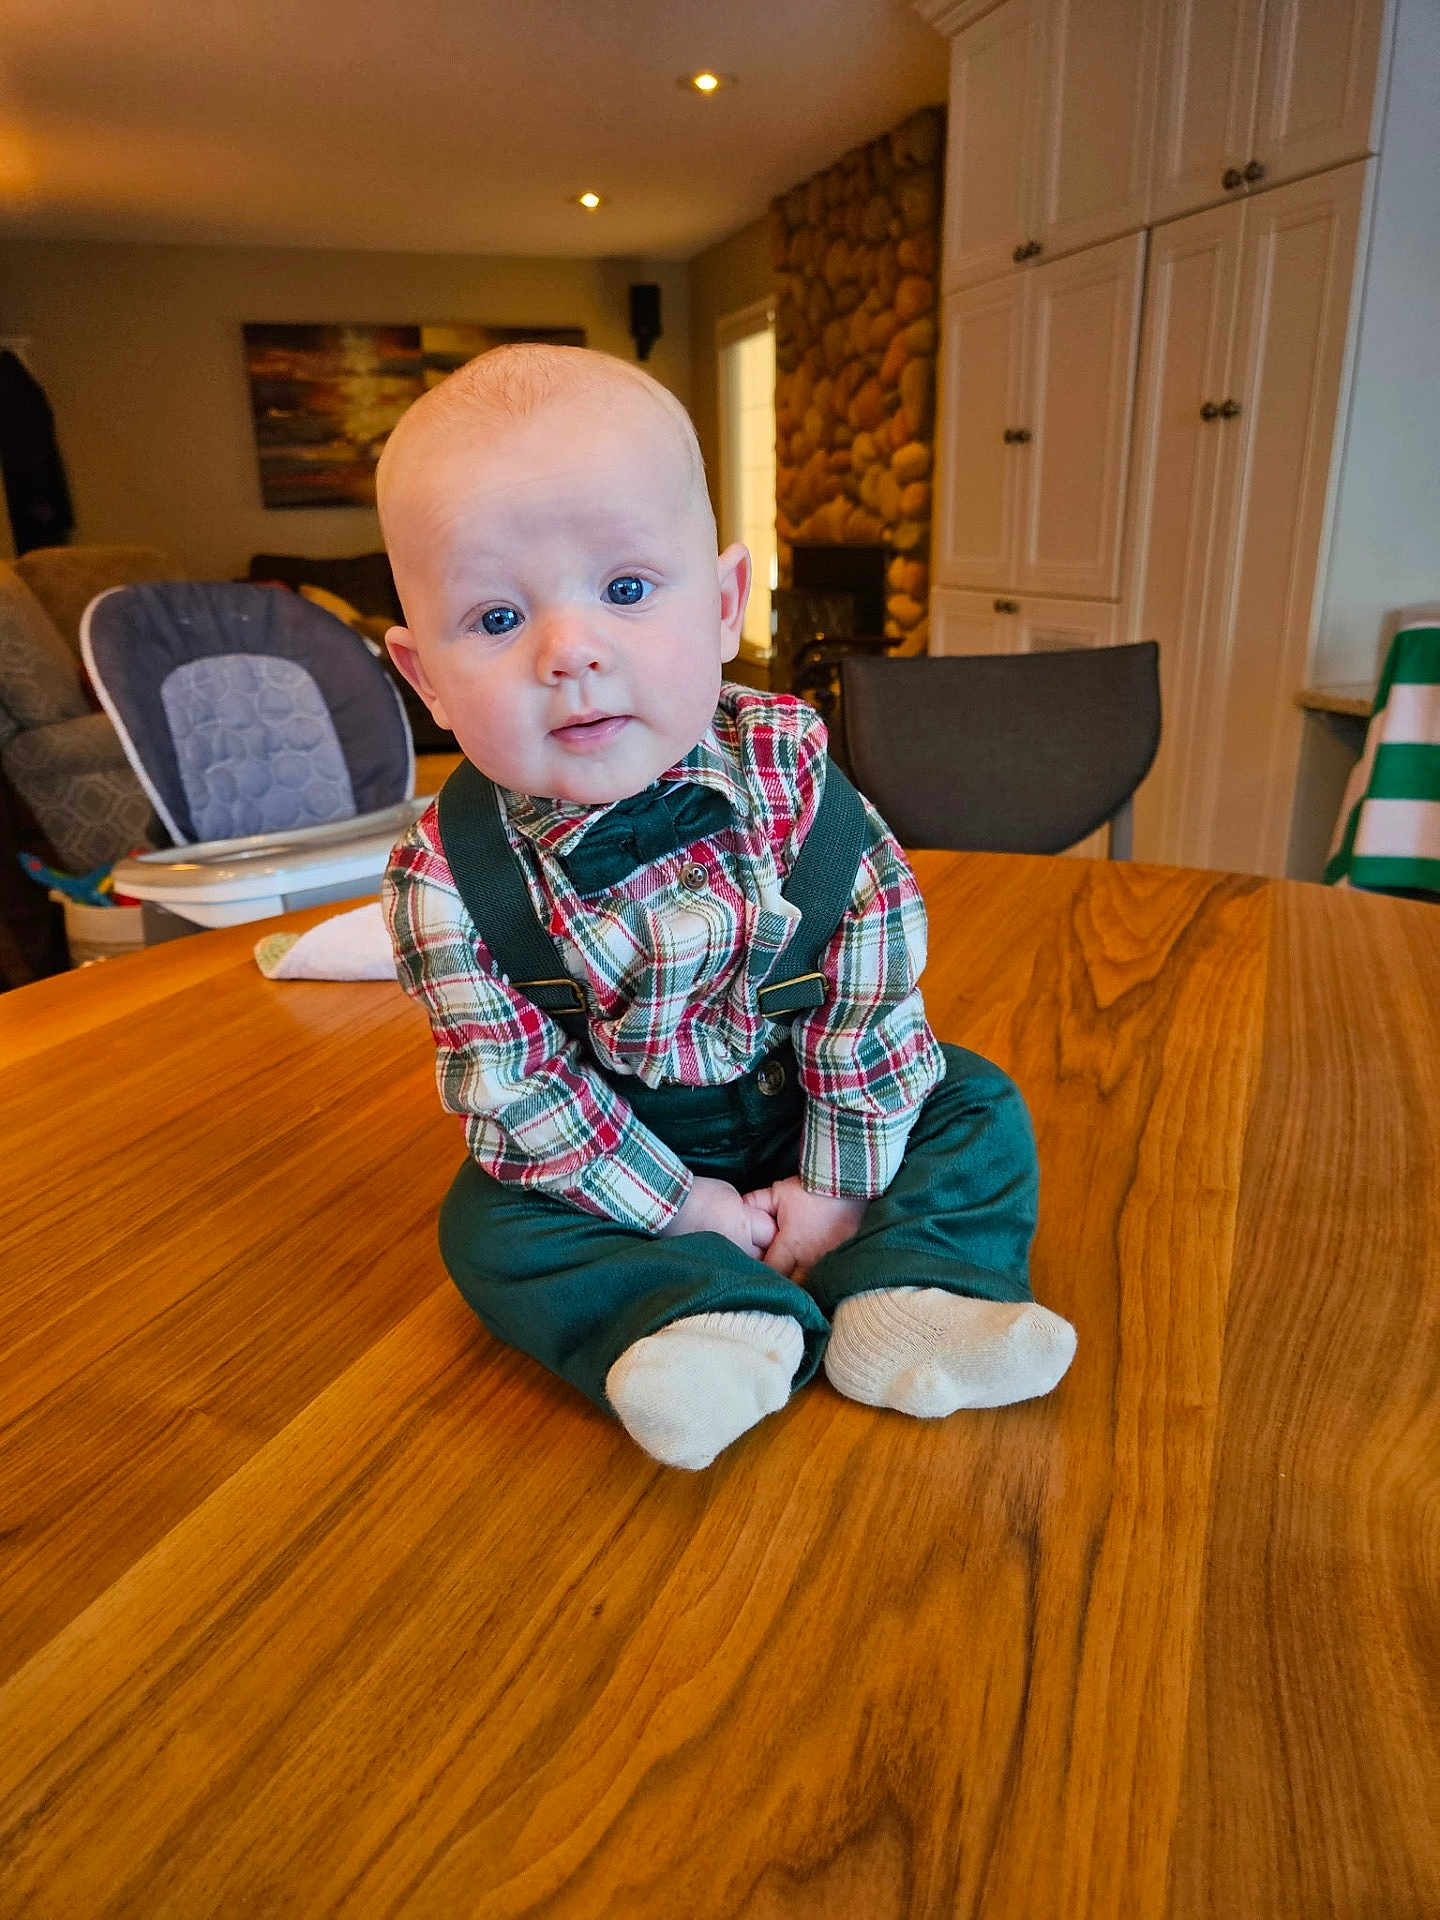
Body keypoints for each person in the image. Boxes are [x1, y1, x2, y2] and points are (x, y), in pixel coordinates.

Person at [379, 343, 1076, 1470]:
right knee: (485, 1222)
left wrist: (838, 1187)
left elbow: (871, 987)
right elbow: (520, 1088)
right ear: (426, 678)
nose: (572, 653)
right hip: (619, 1148)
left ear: (722, 606)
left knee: (973, 1103)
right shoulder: (447, 877)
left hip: (814, 1096)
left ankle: (911, 1292)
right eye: (498, 619)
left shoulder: (797, 780)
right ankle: (698, 1316)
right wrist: (679, 1206)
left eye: (625, 590)